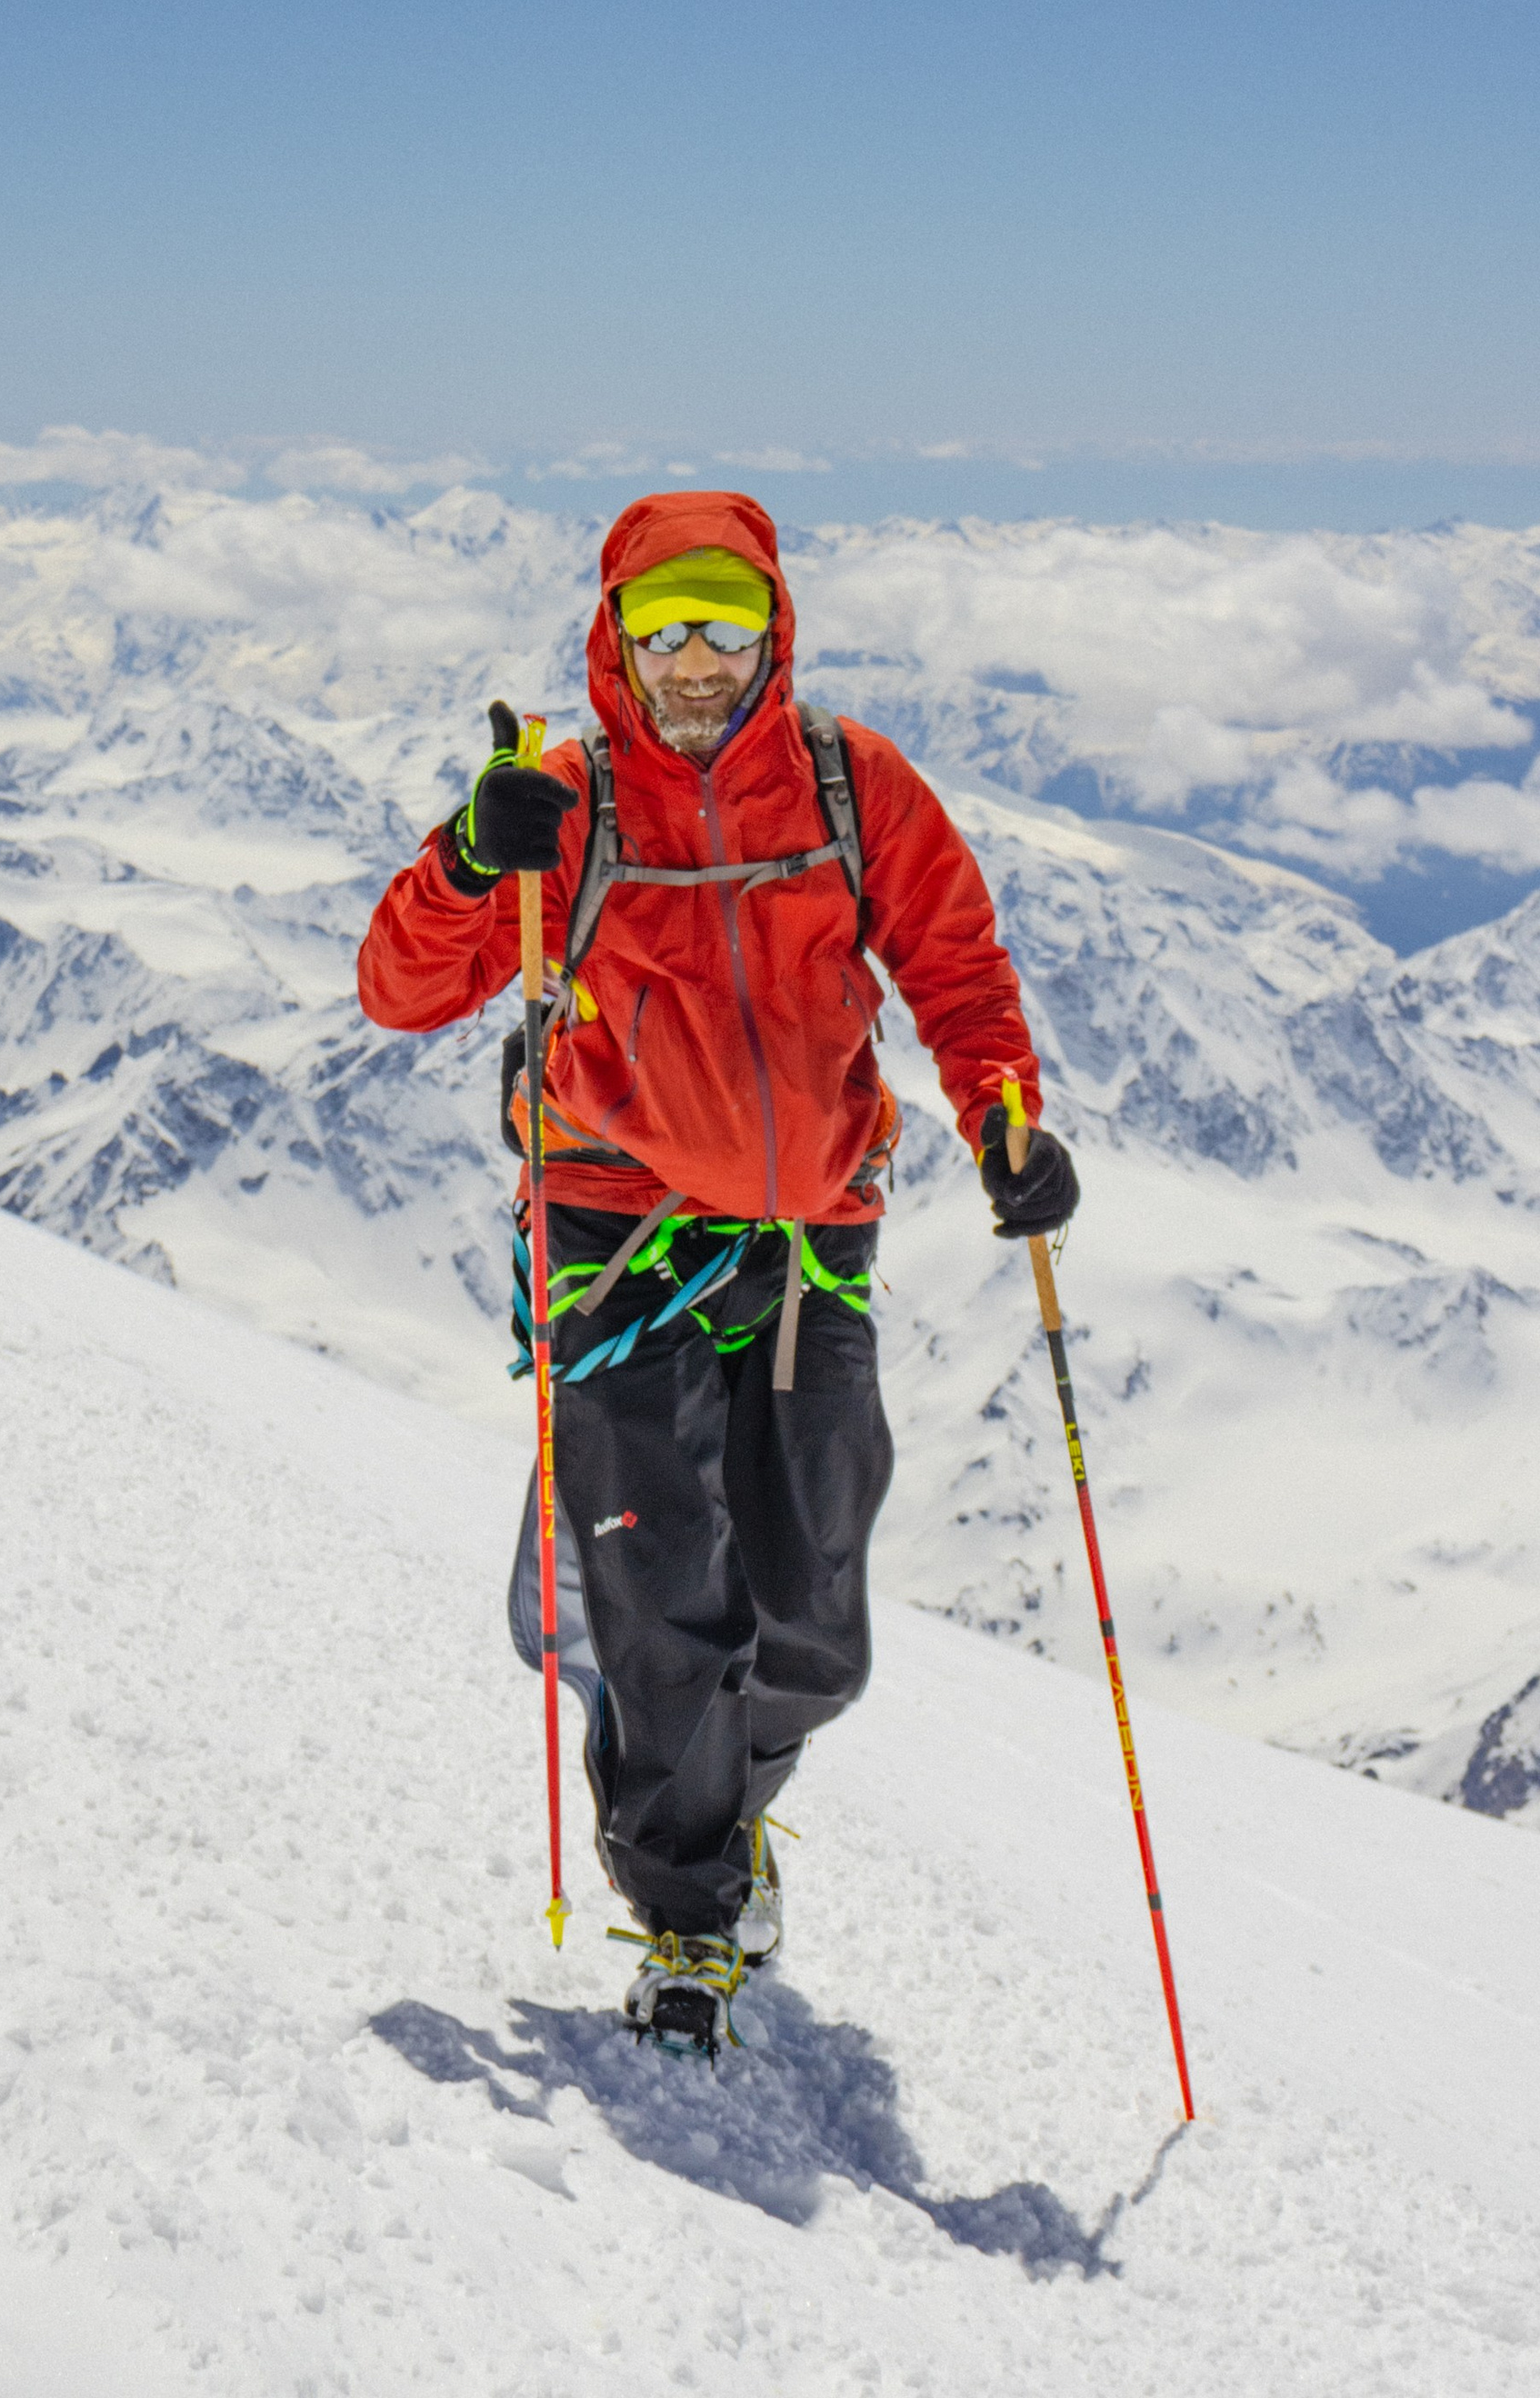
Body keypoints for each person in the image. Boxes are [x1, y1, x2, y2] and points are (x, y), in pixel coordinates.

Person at [356, 489, 1078, 2053]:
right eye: (664, 625)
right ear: (614, 635)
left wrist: (1003, 1112)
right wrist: (474, 857)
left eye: (726, 624)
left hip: (815, 1234)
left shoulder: (847, 783)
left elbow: (953, 960)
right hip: (613, 1234)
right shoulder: (563, 800)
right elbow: (399, 987)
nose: (696, 658)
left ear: (775, 629)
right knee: (673, 1601)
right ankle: (688, 1915)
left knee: (814, 1620)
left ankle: (656, 1718)